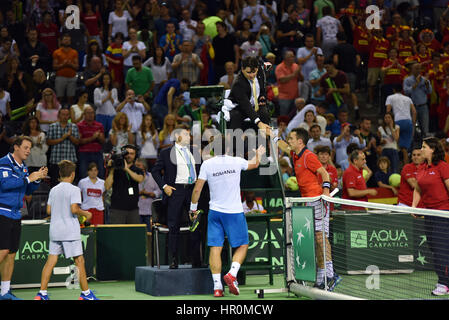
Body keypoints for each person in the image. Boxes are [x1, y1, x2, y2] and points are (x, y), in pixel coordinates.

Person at [190, 136, 265, 296]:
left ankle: (217, 287)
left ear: (213, 149)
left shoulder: (207, 164)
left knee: (215, 248)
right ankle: (232, 273)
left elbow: (197, 189)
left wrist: (193, 209)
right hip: (234, 212)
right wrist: (258, 153)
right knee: (243, 245)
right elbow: (255, 163)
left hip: (215, 212)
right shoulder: (236, 161)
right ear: (229, 149)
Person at [273, 127, 340, 290]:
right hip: (308, 201)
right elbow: (284, 146)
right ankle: (321, 278)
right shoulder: (296, 154)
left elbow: (325, 174)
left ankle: (330, 275)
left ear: (300, 141)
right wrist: (273, 136)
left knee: (320, 238)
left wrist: (325, 193)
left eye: (291, 139)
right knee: (317, 240)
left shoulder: (309, 156)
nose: (289, 141)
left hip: (318, 200)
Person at [34, 160, 98, 301]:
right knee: (79, 261)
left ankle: (42, 293)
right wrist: (86, 214)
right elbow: (74, 209)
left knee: (51, 261)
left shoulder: (53, 190)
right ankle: (86, 294)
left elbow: (49, 210)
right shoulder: (74, 190)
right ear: (73, 174)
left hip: (55, 231)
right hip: (69, 231)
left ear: (60, 174)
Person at [0, 136, 47, 300]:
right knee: (3, 251)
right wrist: (29, 178)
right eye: (26, 147)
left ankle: (4, 292)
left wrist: (36, 179)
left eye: (29, 148)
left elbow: (27, 191)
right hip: (2, 212)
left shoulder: (24, 167)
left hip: (16, 214)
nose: (28, 151)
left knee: (11, 253)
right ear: (16, 147)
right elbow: (5, 185)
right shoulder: (3, 163)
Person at [151, 124, 201, 269]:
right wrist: (164, 186)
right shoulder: (166, 153)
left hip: (192, 191)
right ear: (178, 136)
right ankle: (174, 259)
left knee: (195, 225)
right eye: (186, 134)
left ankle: (196, 260)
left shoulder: (194, 151)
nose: (189, 137)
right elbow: (155, 171)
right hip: (175, 191)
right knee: (174, 227)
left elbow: (201, 168)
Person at [412, 137, 449, 296]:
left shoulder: (442, 167)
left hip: (443, 212)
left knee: (441, 249)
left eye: (424, 147)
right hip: (429, 213)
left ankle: (444, 283)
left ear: (433, 150)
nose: (421, 150)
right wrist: (413, 206)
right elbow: (418, 189)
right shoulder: (421, 168)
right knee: (434, 248)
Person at [227, 56, 271, 133]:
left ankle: (264, 143)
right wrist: (259, 123)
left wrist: (262, 97)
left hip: (256, 104)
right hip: (239, 107)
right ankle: (234, 143)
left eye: (254, 72)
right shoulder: (238, 83)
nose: (251, 75)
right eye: (248, 72)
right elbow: (246, 105)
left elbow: (262, 88)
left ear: (257, 68)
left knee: (265, 113)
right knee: (235, 116)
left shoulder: (260, 70)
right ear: (242, 69)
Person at [105, 144, 145, 224]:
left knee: (133, 235)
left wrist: (126, 169)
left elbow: (140, 179)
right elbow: (107, 186)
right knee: (116, 234)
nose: (129, 155)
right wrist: (112, 169)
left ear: (135, 155)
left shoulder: (137, 170)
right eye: (127, 153)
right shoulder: (116, 169)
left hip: (133, 209)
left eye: (132, 153)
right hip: (117, 209)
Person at [46, 108, 80, 187]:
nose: (65, 116)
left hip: (70, 161)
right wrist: (62, 138)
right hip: (56, 161)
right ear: (59, 115)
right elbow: (48, 142)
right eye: (63, 114)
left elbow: (77, 142)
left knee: (70, 185)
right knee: (55, 184)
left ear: (69, 116)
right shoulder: (53, 126)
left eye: (67, 115)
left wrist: (69, 136)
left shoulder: (74, 127)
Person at [386, 83, 417, 164]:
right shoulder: (408, 98)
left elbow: (388, 111)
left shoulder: (390, 97)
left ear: (394, 90)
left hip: (397, 121)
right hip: (408, 122)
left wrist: (388, 122)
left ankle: (395, 165)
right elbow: (414, 112)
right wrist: (413, 124)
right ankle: (406, 167)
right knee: (404, 148)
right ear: (402, 90)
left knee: (394, 145)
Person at [403, 62, 433, 138]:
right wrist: (416, 84)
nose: (418, 70)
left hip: (423, 107)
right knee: (412, 127)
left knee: (425, 128)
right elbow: (406, 91)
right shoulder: (407, 80)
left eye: (419, 68)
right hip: (412, 107)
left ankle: (425, 145)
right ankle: (412, 145)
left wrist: (427, 84)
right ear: (412, 69)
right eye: (416, 68)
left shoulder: (424, 80)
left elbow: (429, 91)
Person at [77, 106, 106, 179]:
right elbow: (79, 141)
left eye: (92, 113)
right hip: (84, 153)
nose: (90, 114)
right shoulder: (79, 125)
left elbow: (103, 141)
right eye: (88, 113)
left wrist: (99, 137)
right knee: (83, 175)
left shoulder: (99, 125)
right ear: (84, 114)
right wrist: (92, 138)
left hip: (97, 152)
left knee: (100, 175)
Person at [135, 158, 162, 232]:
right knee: (138, 232)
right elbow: (129, 190)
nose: (136, 166)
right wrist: (139, 193)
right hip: (137, 210)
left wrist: (153, 194)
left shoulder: (152, 177)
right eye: (136, 165)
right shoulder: (133, 176)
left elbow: (159, 189)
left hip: (149, 210)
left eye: (138, 165)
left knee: (150, 232)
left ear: (144, 166)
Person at [52, 33, 79, 106]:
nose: (67, 41)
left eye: (68, 40)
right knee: (59, 97)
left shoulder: (74, 52)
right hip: (60, 77)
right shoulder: (56, 52)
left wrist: (70, 64)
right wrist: (63, 65)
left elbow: (77, 66)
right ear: (61, 41)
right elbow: (54, 66)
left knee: (71, 97)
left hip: (72, 77)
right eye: (65, 39)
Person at [275, 50, 302, 115]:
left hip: (295, 96)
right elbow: (282, 80)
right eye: (291, 56)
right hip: (284, 97)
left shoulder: (295, 66)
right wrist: (294, 74)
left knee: (294, 116)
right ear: (286, 58)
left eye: (293, 56)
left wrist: (299, 73)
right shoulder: (279, 67)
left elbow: (301, 79)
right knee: (284, 116)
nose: (293, 58)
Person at [94, 73, 119, 139]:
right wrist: (106, 98)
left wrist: (110, 98)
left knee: (111, 135)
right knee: (100, 134)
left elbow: (115, 103)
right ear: (102, 80)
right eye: (104, 79)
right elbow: (96, 103)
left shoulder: (114, 90)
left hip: (112, 115)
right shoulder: (97, 90)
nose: (106, 80)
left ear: (110, 80)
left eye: (108, 79)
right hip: (101, 115)